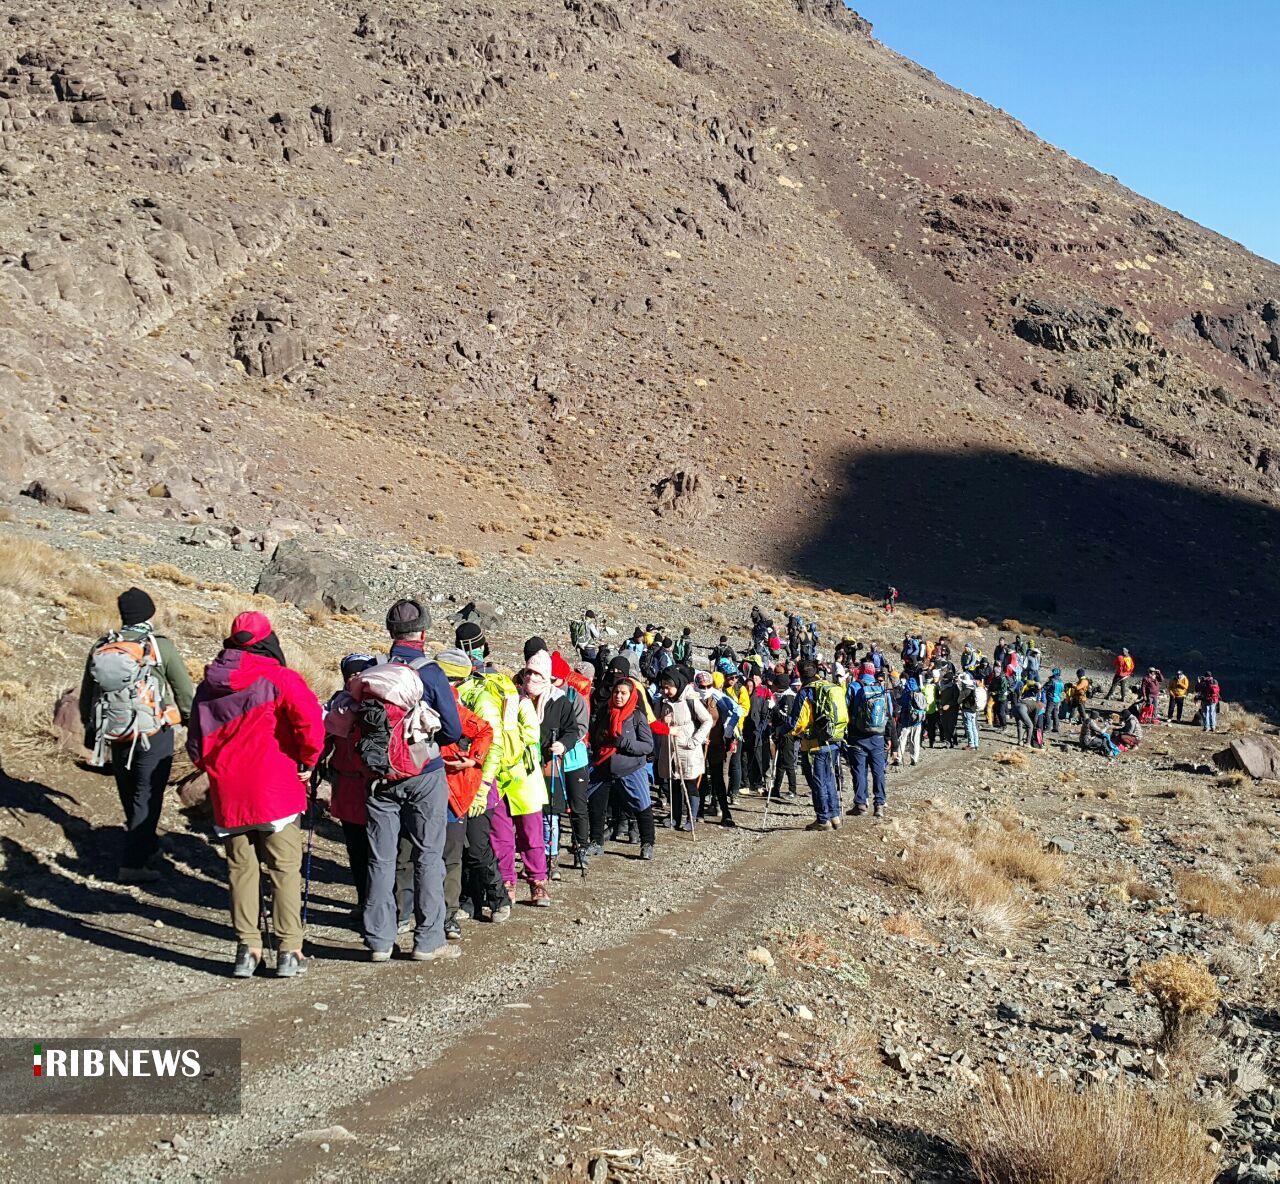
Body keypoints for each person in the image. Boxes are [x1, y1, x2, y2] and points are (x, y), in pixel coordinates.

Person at [186, 611, 324, 978]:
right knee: (284, 868)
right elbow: (310, 722)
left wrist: (215, 768)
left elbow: (196, 745)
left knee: (240, 871)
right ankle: (289, 949)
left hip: (228, 791)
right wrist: (308, 761)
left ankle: (247, 950)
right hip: (276, 788)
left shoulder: (209, 684)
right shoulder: (280, 678)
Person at [360, 600, 464, 962]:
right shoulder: (431, 672)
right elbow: (453, 729)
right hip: (424, 775)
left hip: (379, 775)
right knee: (428, 855)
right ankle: (428, 939)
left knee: (380, 859)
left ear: (391, 632)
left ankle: (379, 940)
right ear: (423, 632)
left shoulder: (373, 671)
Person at [79, 587, 195, 883]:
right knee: (148, 793)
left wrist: (91, 729)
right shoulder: (159, 646)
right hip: (153, 730)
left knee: (129, 790)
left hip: (115, 729)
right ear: (149, 613)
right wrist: (191, 721)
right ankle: (133, 864)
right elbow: (183, 689)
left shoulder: (103, 644)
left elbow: (88, 693)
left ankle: (147, 845)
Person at [434, 651, 495, 939]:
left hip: (447, 788)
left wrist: (473, 760)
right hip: (445, 787)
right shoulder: (447, 702)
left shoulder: (450, 705)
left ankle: (440, 913)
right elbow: (484, 730)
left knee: (444, 854)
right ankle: (441, 915)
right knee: (448, 854)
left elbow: (484, 730)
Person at [589, 675, 656, 859]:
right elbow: (594, 735)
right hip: (603, 766)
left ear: (631, 695)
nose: (619, 696)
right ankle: (595, 842)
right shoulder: (605, 712)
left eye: (623, 693)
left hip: (631, 768)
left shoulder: (637, 716)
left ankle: (647, 843)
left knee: (642, 806)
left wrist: (623, 743)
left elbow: (647, 746)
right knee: (596, 805)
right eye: (616, 692)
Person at [655, 668, 714, 829]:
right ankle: (675, 817)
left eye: (668, 687)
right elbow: (654, 723)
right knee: (673, 783)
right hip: (669, 747)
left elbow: (707, 720)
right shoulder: (662, 701)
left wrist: (695, 741)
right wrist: (663, 721)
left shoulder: (690, 699)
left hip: (688, 748)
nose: (666, 691)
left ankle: (691, 818)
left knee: (689, 784)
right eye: (663, 687)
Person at [789, 660, 844, 830]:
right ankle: (835, 816)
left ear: (800, 673)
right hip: (834, 740)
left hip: (814, 744)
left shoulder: (806, 692)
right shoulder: (827, 686)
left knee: (818, 781)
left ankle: (822, 819)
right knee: (829, 779)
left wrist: (784, 732)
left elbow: (797, 722)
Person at [846, 667, 888, 817]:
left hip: (857, 737)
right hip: (878, 737)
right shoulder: (881, 688)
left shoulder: (853, 686)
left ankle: (861, 804)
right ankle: (879, 805)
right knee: (878, 771)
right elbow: (888, 713)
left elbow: (846, 709)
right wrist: (889, 738)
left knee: (859, 771)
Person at [897, 676, 925, 767]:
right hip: (918, 721)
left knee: (902, 739)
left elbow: (900, 703)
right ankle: (914, 759)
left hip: (906, 721)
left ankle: (898, 758)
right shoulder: (920, 694)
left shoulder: (906, 694)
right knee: (915, 740)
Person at [936, 671, 960, 749]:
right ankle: (948, 742)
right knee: (945, 726)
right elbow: (939, 697)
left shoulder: (954, 687)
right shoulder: (941, 686)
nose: (944, 680)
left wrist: (949, 705)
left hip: (952, 709)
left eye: (946, 679)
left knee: (951, 726)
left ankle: (953, 740)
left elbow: (956, 698)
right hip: (943, 709)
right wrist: (940, 706)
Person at [958, 673, 981, 750]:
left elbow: (958, 701)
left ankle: (971, 744)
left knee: (969, 727)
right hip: (973, 710)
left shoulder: (965, 691)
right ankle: (976, 743)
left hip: (967, 710)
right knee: (974, 727)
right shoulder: (973, 689)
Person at [1043, 668, 1065, 734]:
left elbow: (1045, 687)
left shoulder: (1052, 680)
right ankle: (1056, 728)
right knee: (1055, 713)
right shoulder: (1061, 681)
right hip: (1057, 699)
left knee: (1047, 713)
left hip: (1051, 698)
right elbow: (1062, 690)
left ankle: (1048, 727)